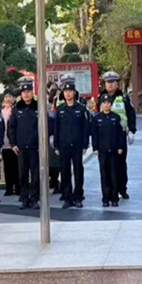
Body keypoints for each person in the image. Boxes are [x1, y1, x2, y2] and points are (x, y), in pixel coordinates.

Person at [54, 81, 92, 209]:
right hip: (64, 145)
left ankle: (78, 196)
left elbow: (85, 128)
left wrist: (85, 144)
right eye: (65, 92)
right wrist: (56, 145)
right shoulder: (60, 110)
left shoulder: (81, 109)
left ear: (74, 93)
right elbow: (56, 129)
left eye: (70, 91)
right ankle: (67, 196)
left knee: (78, 170)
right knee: (65, 172)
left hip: (77, 145)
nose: (68, 93)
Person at [100, 72, 137, 200]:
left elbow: (131, 114)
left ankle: (122, 189)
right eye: (108, 83)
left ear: (117, 84)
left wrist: (132, 130)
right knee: (106, 166)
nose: (110, 85)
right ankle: (109, 191)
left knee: (120, 164)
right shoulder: (101, 97)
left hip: (119, 137)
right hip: (105, 138)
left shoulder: (124, 98)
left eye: (112, 83)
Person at [9, 80, 42, 210]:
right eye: (24, 92)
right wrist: (13, 143)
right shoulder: (17, 109)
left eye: (28, 92)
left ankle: (34, 199)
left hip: (35, 147)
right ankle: (24, 198)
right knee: (22, 174)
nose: (26, 94)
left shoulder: (38, 107)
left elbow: (45, 126)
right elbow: (11, 127)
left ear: (32, 92)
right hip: (21, 147)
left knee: (35, 175)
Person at [92, 93, 125, 207]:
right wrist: (95, 148)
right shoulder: (97, 119)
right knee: (104, 174)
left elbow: (120, 134)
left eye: (108, 103)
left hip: (114, 150)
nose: (106, 105)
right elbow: (94, 134)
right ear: (101, 105)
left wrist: (120, 146)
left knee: (114, 174)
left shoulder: (116, 117)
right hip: (102, 151)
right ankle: (105, 198)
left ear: (111, 105)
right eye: (104, 103)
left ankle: (114, 198)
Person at [0, 90, 19, 197]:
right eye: (6, 96)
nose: (8, 98)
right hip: (5, 142)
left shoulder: (16, 110)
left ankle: (18, 186)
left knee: (17, 165)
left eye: (10, 96)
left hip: (15, 143)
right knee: (7, 166)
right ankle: (9, 187)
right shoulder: (1, 111)